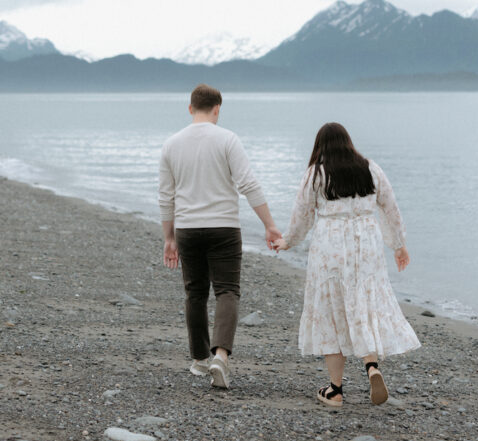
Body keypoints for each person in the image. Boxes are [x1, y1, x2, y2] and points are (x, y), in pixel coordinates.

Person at [275, 122, 420, 407]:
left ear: (320, 146)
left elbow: (302, 216)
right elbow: (391, 208)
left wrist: (287, 242)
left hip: (330, 247)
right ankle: (371, 367)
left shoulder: (316, 174)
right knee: (363, 304)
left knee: (331, 311)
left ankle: (335, 390)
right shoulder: (370, 168)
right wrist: (399, 245)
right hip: (366, 245)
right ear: (348, 143)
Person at [159, 84, 281, 390]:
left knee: (195, 293)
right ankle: (221, 357)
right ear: (217, 109)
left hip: (187, 228)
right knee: (227, 290)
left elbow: (166, 196)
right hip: (224, 227)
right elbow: (248, 184)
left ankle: (200, 358)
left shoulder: (171, 144)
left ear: (190, 108)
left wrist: (169, 237)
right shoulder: (228, 139)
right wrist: (269, 225)